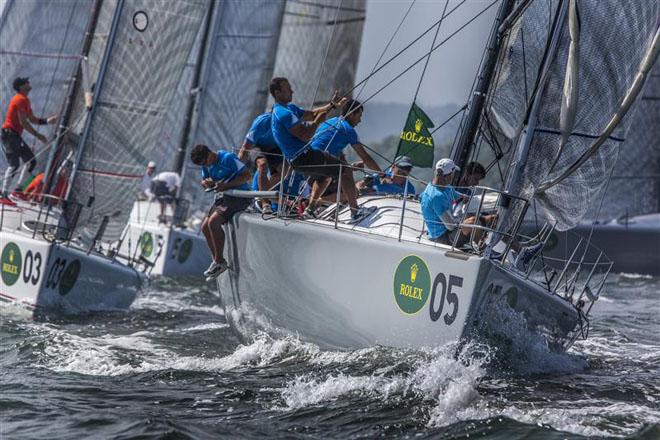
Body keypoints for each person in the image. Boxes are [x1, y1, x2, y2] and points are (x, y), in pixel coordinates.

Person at [269, 77, 370, 221]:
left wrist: (331, 105)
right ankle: (355, 212)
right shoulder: (283, 114)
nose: (292, 91)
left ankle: (309, 210)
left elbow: (311, 114)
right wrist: (317, 123)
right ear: (277, 93)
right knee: (345, 170)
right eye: (287, 89)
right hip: (303, 158)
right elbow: (304, 135)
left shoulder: (289, 109)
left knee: (325, 177)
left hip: (304, 157)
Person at [190, 144, 252, 280]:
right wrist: (206, 183)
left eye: (204, 162)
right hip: (223, 198)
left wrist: (227, 185)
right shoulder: (206, 164)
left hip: (239, 196)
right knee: (204, 227)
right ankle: (218, 261)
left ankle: (218, 262)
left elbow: (247, 175)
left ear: (210, 153)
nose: (204, 165)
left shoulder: (228, 158)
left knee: (213, 222)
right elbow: (204, 180)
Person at [311, 99, 382, 203]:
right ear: (351, 114)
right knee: (354, 192)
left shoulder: (331, 121)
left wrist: (352, 167)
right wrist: (382, 174)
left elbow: (339, 157)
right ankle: (318, 202)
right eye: (359, 116)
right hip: (320, 164)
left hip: (309, 161)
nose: (360, 120)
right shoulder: (348, 130)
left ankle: (311, 206)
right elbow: (365, 157)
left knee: (345, 173)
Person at [1, 77, 57, 201]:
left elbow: (32, 119)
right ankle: (3, 194)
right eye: (26, 82)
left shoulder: (26, 101)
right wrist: (39, 135)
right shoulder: (19, 99)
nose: (29, 83)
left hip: (14, 135)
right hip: (9, 134)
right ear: (21, 86)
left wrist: (48, 121)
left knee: (31, 161)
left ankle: (17, 191)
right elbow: (24, 123)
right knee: (14, 165)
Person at [238, 112, 284, 214]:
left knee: (287, 167)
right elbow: (245, 147)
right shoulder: (262, 122)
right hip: (256, 145)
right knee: (262, 164)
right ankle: (265, 204)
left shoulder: (287, 122)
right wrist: (235, 169)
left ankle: (263, 193)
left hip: (273, 148)